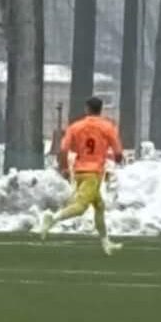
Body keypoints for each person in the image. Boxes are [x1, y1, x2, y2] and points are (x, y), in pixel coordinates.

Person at [38, 97, 124, 256]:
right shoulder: (108, 127)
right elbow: (118, 153)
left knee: (99, 206)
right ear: (101, 109)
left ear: (87, 109)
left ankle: (106, 242)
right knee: (80, 207)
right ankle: (52, 219)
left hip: (79, 171)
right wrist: (117, 158)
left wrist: (64, 167)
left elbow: (63, 149)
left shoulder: (75, 126)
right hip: (94, 173)